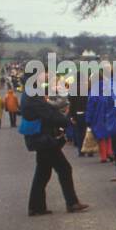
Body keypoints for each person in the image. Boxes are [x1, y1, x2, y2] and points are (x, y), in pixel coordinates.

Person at [21, 84, 89, 216]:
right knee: (64, 168)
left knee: (42, 172)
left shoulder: (31, 93)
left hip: (41, 138)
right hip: (44, 139)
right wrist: (66, 121)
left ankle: (36, 207)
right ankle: (72, 203)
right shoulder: (33, 95)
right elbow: (48, 114)